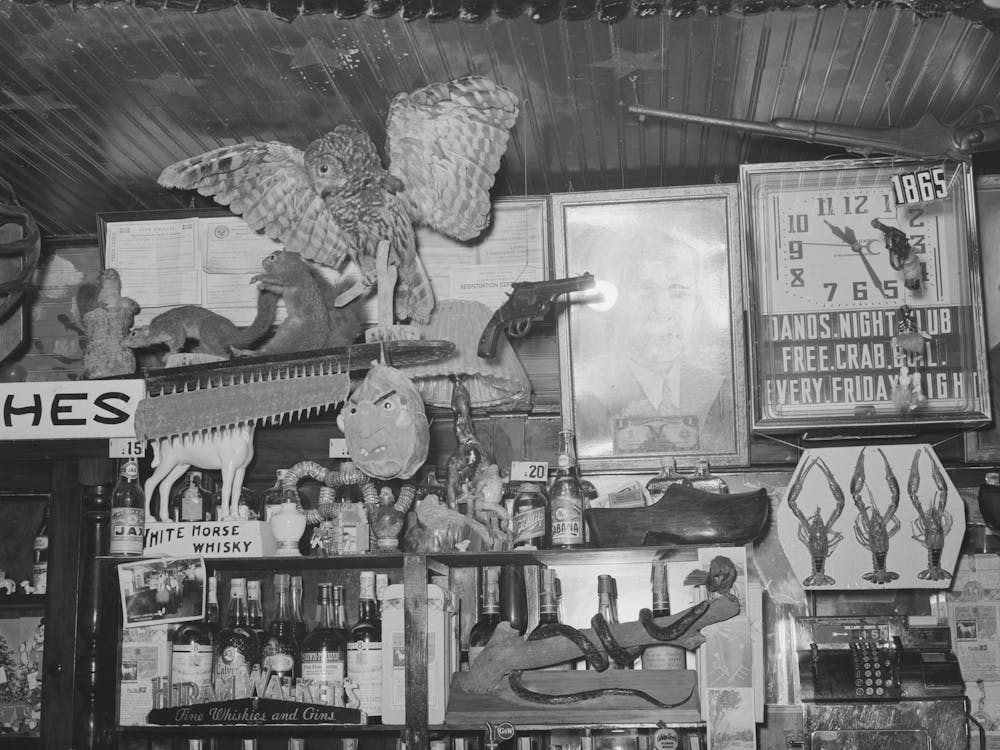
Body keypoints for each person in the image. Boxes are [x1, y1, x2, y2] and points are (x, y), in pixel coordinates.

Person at [572, 231, 735, 456]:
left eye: (678, 293)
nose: (661, 310)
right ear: (616, 307)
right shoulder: (591, 392)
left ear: (696, 305)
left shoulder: (718, 390)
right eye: (645, 291)